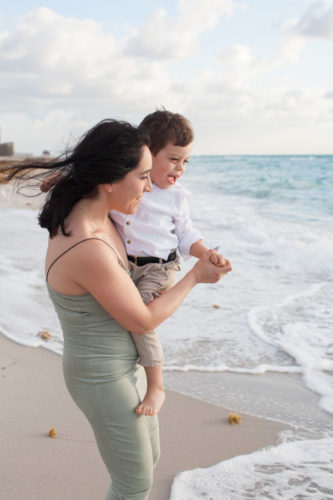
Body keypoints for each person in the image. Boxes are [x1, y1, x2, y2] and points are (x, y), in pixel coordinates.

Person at [2, 119, 232, 500]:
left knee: (149, 460)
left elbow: (93, 166)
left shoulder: (97, 209)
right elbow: (142, 319)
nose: (149, 187)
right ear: (110, 179)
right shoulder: (88, 246)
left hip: (128, 366)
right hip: (102, 377)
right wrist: (194, 277)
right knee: (134, 485)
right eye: (142, 177)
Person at [111, 109, 226, 418]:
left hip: (159, 267)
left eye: (186, 161)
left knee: (142, 316)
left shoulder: (176, 196)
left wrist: (205, 254)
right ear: (147, 153)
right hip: (125, 263)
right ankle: (126, 365)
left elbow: (186, 233)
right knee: (116, 311)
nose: (181, 168)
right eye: (174, 159)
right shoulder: (126, 181)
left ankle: (156, 386)